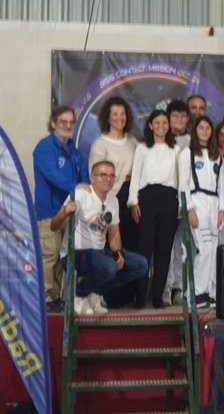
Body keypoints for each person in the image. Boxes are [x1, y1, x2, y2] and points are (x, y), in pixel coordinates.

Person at [51, 160, 148, 315]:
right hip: (75, 254)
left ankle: (94, 292)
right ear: (92, 178)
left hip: (99, 255)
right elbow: (54, 226)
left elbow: (114, 233)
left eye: (111, 176)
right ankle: (78, 294)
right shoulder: (81, 194)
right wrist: (64, 212)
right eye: (102, 175)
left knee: (140, 265)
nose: (107, 179)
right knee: (109, 267)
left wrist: (119, 254)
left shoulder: (113, 201)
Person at [33, 106, 89, 312]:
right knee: (51, 255)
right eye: (63, 122)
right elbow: (53, 175)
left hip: (72, 212)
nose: (67, 126)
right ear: (53, 123)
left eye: (71, 122)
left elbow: (84, 175)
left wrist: (89, 191)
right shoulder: (44, 148)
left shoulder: (74, 149)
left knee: (67, 256)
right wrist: (76, 187)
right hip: (50, 212)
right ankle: (49, 298)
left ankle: (64, 298)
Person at [88, 96, 139, 307]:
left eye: (122, 114)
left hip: (131, 200)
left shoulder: (133, 142)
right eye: (114, 114)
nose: (119, 118)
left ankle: (128, 295)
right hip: (111, 200)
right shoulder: (100, 143)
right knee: (112, 250)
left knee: (131, 248)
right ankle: (111, 296)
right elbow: (97, 175)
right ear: (107, 118)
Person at [128, 109, 180, 309]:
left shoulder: (175, 150)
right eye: (156, 123)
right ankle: (140, 297)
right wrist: (133, 202)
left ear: (169, 126)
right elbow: (135, 176)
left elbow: (181, 179)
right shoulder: (142, 148)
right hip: (146, 199)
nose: (160, 126)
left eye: (164, 123)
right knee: (144, 249)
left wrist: (182, 204)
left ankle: (158, 296)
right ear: (150, 125)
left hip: (169, 199)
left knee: (164, 251)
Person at [178, 116, 222, 308]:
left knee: (213, 249)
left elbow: (221, 185)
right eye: (201, 127)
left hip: (214, 203)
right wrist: (189, 209)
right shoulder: (187, 153)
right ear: (194, 131)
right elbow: (183, 184)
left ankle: (210, 291)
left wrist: (221, 209)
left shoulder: (216, 155)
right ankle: (195, 293)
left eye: (208, 127)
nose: (204, 131)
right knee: (203, 249)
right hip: (197, 201)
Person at [164, 98, 191, 305]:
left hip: (186, 199)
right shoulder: (159, 139)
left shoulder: (193, 142)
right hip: (165, 198)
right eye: (175, 115)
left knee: (181, 246)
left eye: (183, 115)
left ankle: (178, 288)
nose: (179, 119)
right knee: (165, 245)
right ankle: (163, 288)